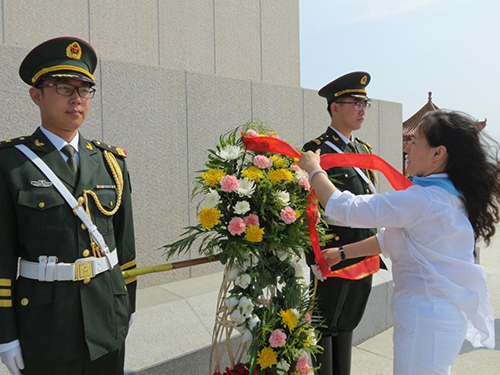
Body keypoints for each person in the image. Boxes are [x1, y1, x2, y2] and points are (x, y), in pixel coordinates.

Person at [299, 109, 498, 375]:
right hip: (437, 317)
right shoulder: (447, 194)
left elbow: (347, 209)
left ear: (438, 153)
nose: (407, 148)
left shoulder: (423, 200)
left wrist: (314, 169)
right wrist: (344, 252)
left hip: (425, 320)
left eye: (414, 142)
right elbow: (393, 237)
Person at [0, 37, 137, 375]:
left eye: (84, 88)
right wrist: (5, 335)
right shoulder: (12, 164)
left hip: (106, 323)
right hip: (45, 329)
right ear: (36, 95)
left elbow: (126, 247)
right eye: (63, 87)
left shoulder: (110, 162)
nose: (76, 98)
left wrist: (126, 309)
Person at [302, 71, 382, 375]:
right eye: (355, 103)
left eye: (365, 103)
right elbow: (307, 208)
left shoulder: (364, 150)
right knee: (325, 328)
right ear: (335, 107)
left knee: (348, 323)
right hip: (332, 256)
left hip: (364, 255)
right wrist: (315, 257)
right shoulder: (315, 151)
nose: (362, 109)